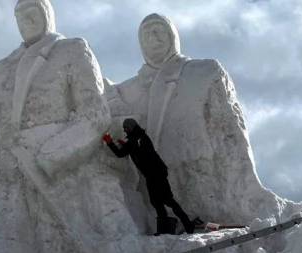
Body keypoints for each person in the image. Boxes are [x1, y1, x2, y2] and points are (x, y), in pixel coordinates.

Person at [0, 0, 147, 253]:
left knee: (105, 233)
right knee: (52, 242)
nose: (26, 21)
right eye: (19, 16)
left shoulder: (71, 50)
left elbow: (95, 114)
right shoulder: (3, 69)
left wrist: (55, 154)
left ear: (48, 15)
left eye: (33, 12)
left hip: (73, 161)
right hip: (24, 168)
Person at [105, 13, 282, 225]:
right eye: (146, 34)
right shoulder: (127, 90)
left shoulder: (202, 72)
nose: (153, 38)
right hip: (154, 181)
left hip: (199, 174)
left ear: (172, 36)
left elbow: (230, 135)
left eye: (158, 30)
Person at [104, 119, 194, 234]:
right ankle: (166, 229)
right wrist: (127, 146)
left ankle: (186, 225)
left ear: (131, 127)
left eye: (126, 128)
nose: (124, 130)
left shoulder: (136, 140)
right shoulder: (140, 136)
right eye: (124, 128)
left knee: (166, 200)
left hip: (156, 174)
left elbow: (120, 153)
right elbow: (138, 150)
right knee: (158, 202)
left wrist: (110, 142)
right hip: (155, 174)